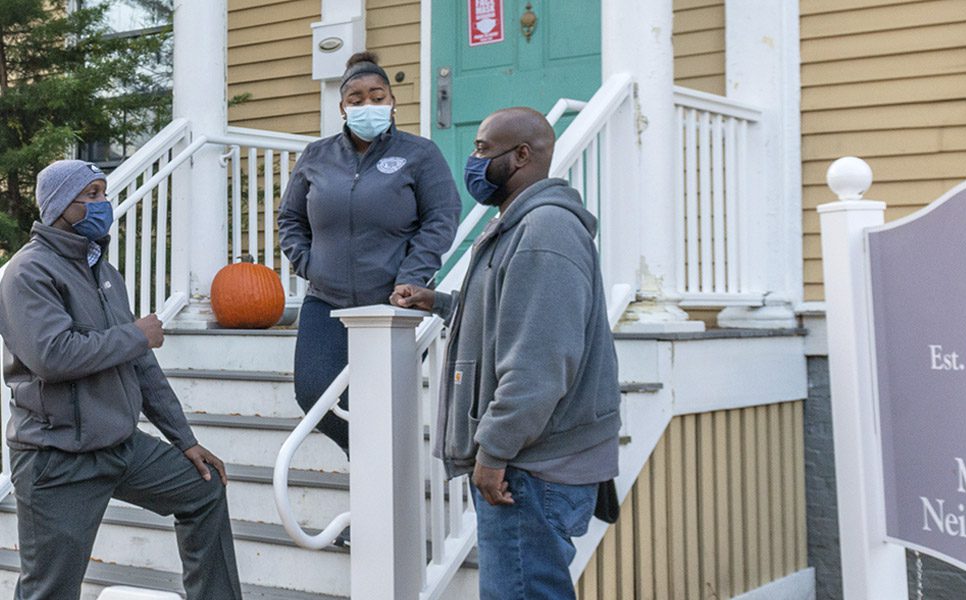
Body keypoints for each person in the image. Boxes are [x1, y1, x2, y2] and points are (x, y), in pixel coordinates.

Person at [393, 107, 621, 599]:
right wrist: (443, 303)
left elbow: (540, 362)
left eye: (481, 149)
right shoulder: (520, 226)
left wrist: (494, 450)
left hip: (531, 468)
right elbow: (514, 320)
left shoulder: (543, 232)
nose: (473, 161)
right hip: (530, 463)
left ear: (520, 156)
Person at [0, 160, 242, 599]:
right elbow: (53, 356)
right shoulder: (27, 273)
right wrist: (136, 334)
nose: (103, 204)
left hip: (119, 445)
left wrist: (184, 439)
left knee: (203, 491)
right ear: (59, 206)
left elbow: (141, 366)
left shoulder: (104, 273)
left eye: (103, 193)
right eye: (90, 195)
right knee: (50, 590)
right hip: (57, 459)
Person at [278, 50, 460, 462]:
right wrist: (308, 265)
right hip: (326, 300)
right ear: (342, 108)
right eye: (356, 99)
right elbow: (290, 217)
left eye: (377, 96)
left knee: (382, 404)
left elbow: (441, 217)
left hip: (392, 304)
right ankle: (366, 461)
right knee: (314, 395)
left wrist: (413, 276)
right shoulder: (316, 156)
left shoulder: (420, 154)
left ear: (392, 102)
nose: (368, 105)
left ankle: (373, 505)